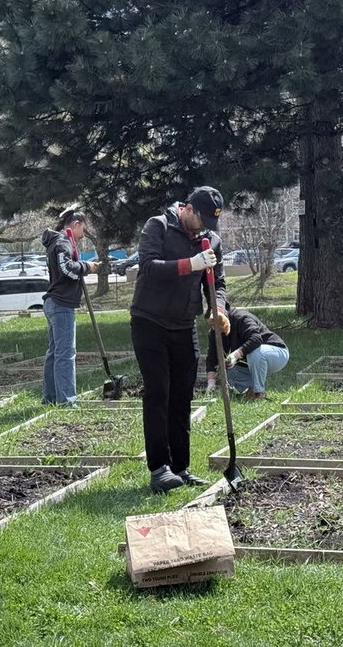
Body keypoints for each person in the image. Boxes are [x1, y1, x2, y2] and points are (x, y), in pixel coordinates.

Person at [131, 186, 229, 493]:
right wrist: (191, 264)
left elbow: (218, 283)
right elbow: (148, 267)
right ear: (187, 208)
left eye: (208, 224)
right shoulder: (158, 225)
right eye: (199, 219)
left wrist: (218, 308)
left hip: (184, 325)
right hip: (150, 321)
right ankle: (159, 468)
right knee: (158, 392)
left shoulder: (211, 240)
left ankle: (180, 467)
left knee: (183, 396)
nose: (203, 228)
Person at [40, 208, 99, 406]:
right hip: (61, 304)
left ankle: (49, 398)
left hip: (54, 302)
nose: (83, 234)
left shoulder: (58, 242)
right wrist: (86, 267)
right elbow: (66, 269)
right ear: (74, 225)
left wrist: (81, 265)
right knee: (65, 355)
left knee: (54, 352)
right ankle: (67, 401)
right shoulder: (63, 242)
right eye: (83, 229)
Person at [205, 303, 290, 399]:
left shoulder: (242, 318)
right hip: (251, 361)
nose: (214, 329)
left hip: (277, 353)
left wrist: (235, 355)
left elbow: (256, 339)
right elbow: (212, 357)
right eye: (211, 325)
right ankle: (249, 387)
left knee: (255, 353)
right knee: (225, 373)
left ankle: (258, 392)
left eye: (216, 325)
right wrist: (211, 383)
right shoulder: (214, 332)